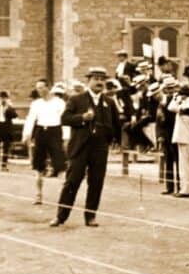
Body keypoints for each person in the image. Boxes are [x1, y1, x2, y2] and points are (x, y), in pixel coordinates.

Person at [51, 67, 121, 227]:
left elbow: (117, 125)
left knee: (96, 182)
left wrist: (114, 140)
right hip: (80, 147)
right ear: (88, 81)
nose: (99, 82)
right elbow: (65, 118)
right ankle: (61, 216)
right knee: (72, 181)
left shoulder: (109, 102)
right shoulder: (77, 100)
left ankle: (90, 216)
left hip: (100, 148)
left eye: (102, 79)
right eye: (96, 78)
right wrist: (82, 118)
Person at [23, 80, 67, 205]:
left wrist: (65, 137)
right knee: (38, 165)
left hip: (55, 132)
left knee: (59, 164)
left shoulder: (59, 102)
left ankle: (64, 197)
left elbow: (64, 120)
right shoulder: (36, 104)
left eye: (41, 87)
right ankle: (38, 195)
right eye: (37, 88)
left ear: (48, 87)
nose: (39, 90)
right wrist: (26, 134)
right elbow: (31, 119)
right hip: (41, 132)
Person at [171, 84, 189, 198]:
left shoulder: (188, 105)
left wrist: (175, 98)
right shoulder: (188, 104)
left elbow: (172, 107)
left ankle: (185, 189)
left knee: (184, 164)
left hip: (185, 136)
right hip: (187, 137)